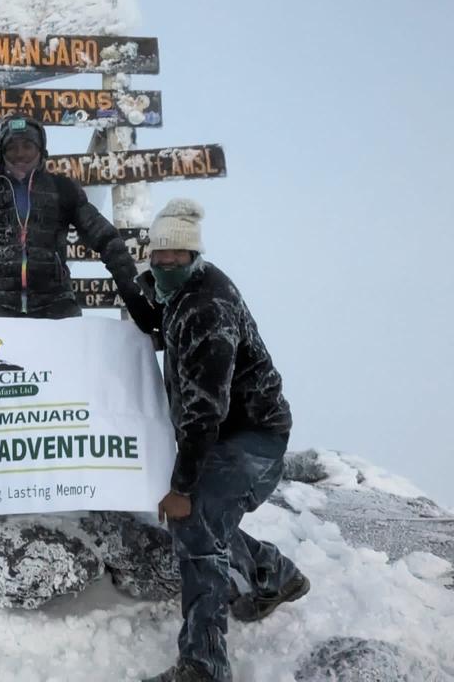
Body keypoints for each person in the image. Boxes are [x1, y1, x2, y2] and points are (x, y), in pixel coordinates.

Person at [139, 199, 309, 682]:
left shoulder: (208, 312)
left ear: (195, 256)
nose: (166, 262)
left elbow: (203, 413)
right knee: (205, 519)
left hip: (250, 437)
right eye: (159, 255)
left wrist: (182, 487)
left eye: (177, 255)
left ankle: (203, 665)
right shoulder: (183, 288)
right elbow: (158, 300)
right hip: (233, 433)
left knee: (193, 523)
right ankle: (273, 573)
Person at [0, 113, 154, 336]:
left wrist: (133, 297)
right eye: (12, 147)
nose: (20, 153)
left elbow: (107, 240)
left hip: (57, 310)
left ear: (41, 150)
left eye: (28, 145)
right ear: (0, 153)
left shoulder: (62, 189)